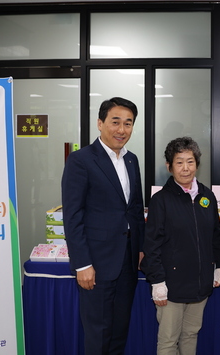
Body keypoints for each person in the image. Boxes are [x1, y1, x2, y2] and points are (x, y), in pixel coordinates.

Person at [61, 97, 145, 355]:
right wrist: (82, 264)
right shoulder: (81, 160)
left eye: (128, 123)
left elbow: (135, 208)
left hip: (127, 262)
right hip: (96, 265)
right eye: (115, 122)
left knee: (120, 330)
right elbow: (72, 216)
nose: (122, 130)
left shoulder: (131, 160)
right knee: (98, 333)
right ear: (100, 123)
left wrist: (140, 248)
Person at [141, 136, 220, 355]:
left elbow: (216, 234)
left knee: (191, 335)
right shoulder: (161, 201)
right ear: (169, 167)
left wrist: (218, 266)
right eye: (179, 162)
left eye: (190, 161)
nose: (185, 168)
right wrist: (157, 282)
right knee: (168, 340)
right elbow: (151, 245)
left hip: (200, 284)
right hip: (171, 287)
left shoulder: (206, 196)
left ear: (197, 164)